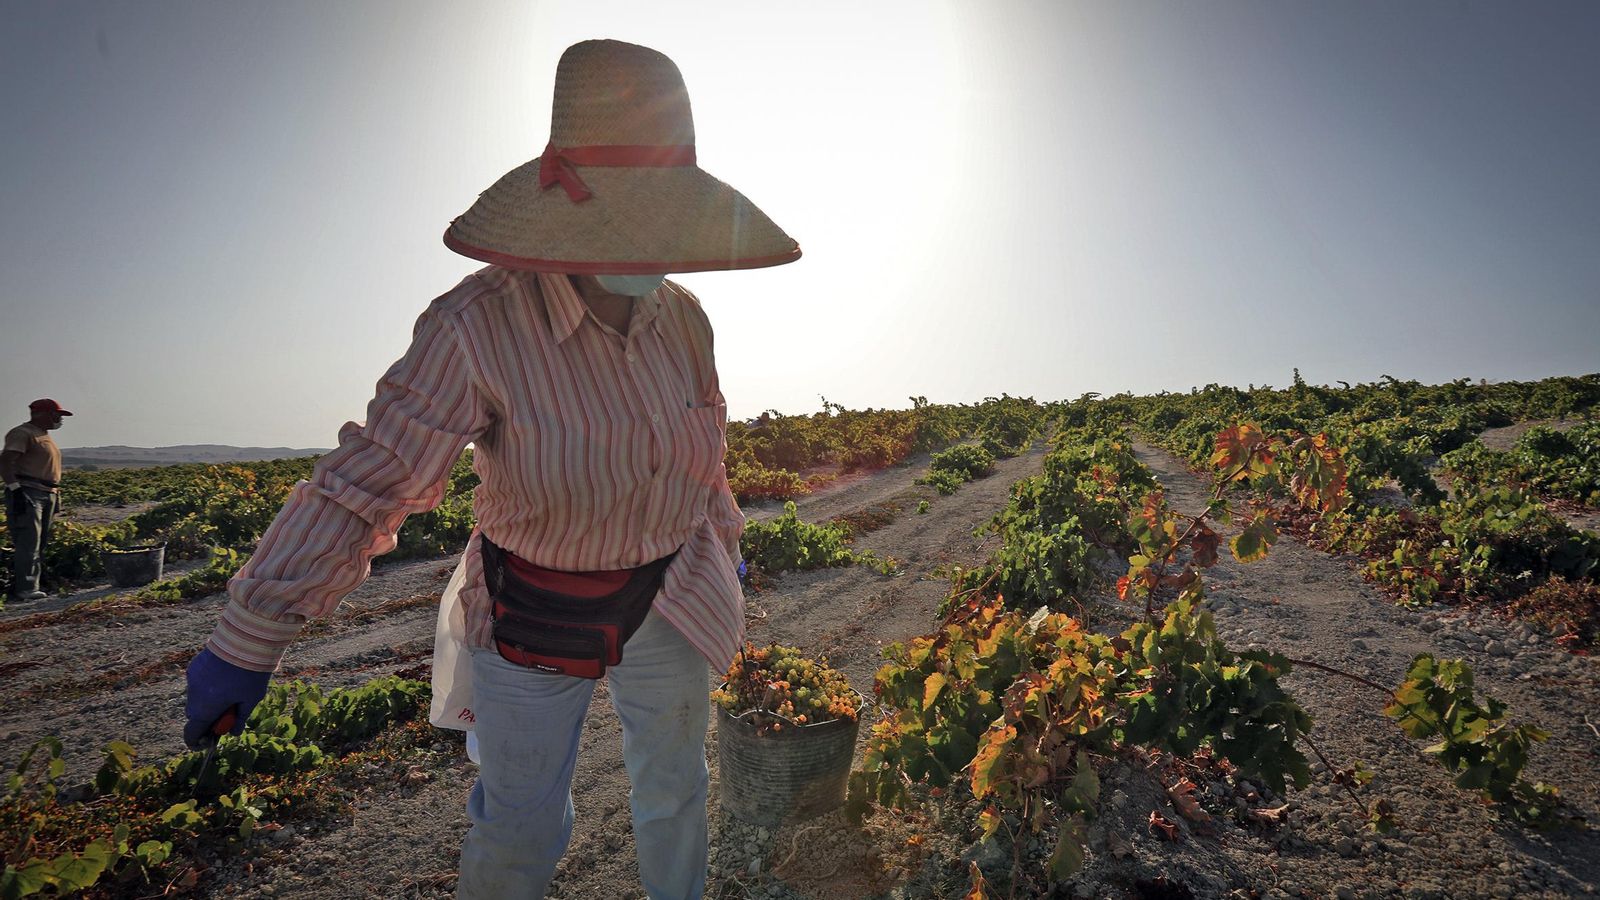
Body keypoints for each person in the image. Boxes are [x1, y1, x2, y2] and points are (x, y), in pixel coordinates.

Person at [182, 39, 799, 899]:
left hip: (670, 591)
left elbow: (707, 456)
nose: (648, 249)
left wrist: (724, 543)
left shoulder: (683, 320)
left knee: (676, 791)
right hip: (537, 605)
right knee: (520, 824)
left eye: (660, 221)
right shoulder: (475, 327)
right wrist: (250, 638)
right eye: (624, 218)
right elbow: (369, 481)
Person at [3, 398, 72, 602]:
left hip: (46, 492)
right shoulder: (23, 433)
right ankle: (26, 589)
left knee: (39, 542)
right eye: (56, 414)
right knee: (28, 540)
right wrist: (15, 489)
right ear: (42, 414)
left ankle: (33, 584)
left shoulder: (43, 435)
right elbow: (5, 461)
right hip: (29, 491)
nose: (59, 419)